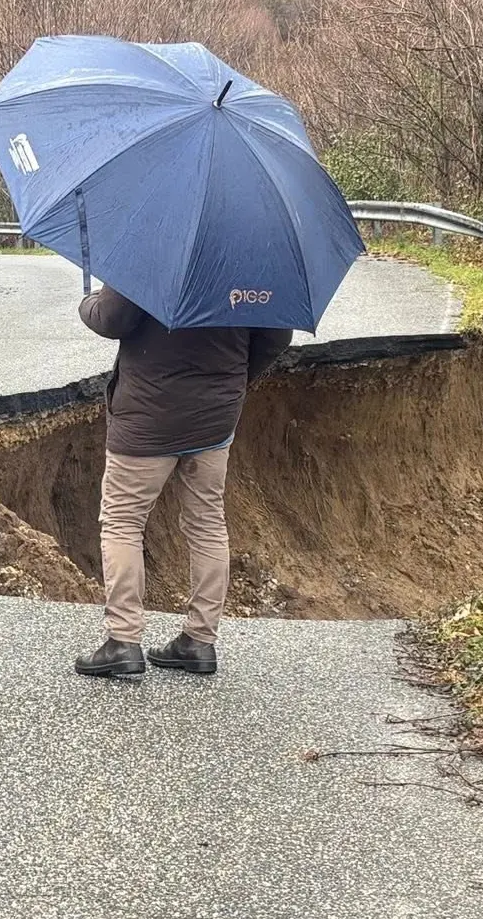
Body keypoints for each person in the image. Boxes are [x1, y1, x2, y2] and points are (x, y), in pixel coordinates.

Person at [72, 284, 294, 678]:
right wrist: (233, 384)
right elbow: (276, 337)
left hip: (147, 417)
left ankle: (123, 640)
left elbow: (113, 318)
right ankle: (199, 640)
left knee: (123, 522)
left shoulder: (152, 245)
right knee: (207, 522)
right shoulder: (254, 261)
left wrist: (87, 304)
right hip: (215, 416)